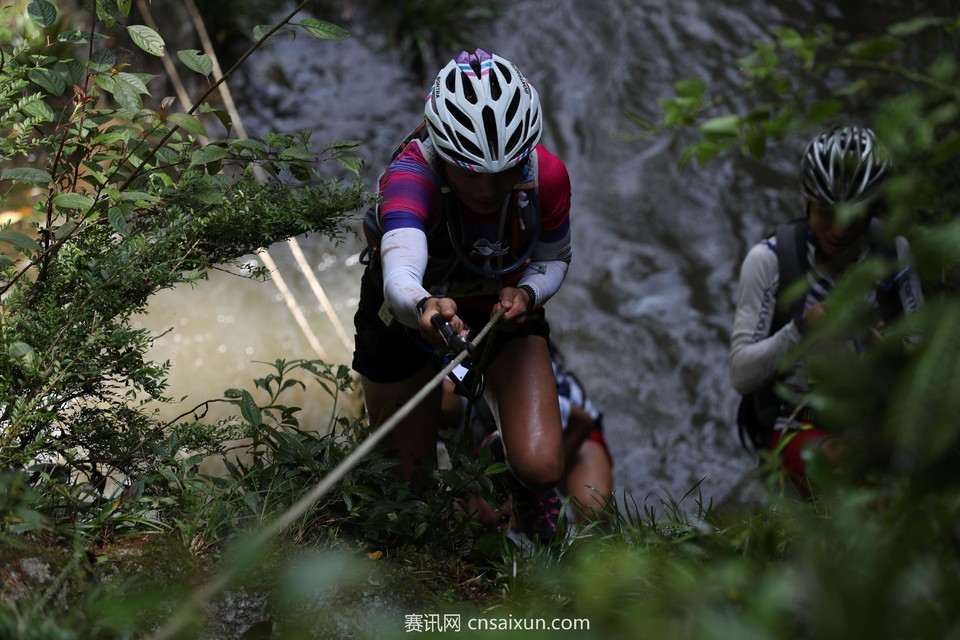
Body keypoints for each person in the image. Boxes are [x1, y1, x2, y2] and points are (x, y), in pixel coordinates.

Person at [351, 49, 573, 538]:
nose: (490, 189)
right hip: (408, 319)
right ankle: (460, 461)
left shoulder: (547, 178)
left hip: (502, 309)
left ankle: (502, 462)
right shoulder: (410, 179)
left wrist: (530, 294)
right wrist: (424, 307)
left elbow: (555, 259)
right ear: (443, 153)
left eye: (505, 173)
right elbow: (401, 271)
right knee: (410, 495)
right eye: (471, 172)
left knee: (541, 466)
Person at [729, 124, 924, 495]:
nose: (839, 229)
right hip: (797, 421)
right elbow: (741, 375)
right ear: (806, 200)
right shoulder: (769, 262)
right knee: (855, 464)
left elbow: (923, 349)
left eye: (855, 215)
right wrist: (801, 329)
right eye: (826, 212)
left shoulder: (893, 252)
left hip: (878, 413)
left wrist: (880, 338)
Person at [442, 339, 613, 535]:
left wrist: (531, 490)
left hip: (571, 431)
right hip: (490, 435)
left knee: (593, 508)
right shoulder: (450, 382)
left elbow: (581, 423)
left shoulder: (519, 391)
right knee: (476, 520)